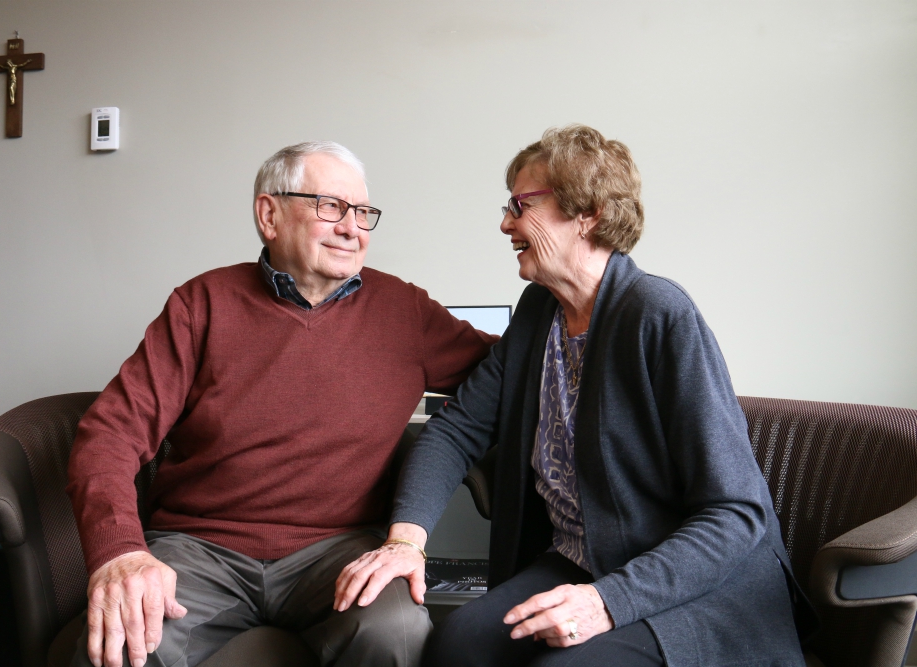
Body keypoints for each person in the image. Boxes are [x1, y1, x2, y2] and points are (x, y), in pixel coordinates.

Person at [334, 125, 815, 666]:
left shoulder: (658, 314)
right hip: (588, 560)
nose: (505, 222)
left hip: (695, 584)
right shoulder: (540, 312)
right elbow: (456, 428)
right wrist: (405, 541)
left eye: (521, 204)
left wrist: (606, 602)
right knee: (458, 644)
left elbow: (736, 512)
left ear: (588, 212)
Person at [65, 141, 496, 667]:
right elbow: (109, 434)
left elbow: (503, 373)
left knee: (396, 631)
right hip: (200, 548)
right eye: (330, 207)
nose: (352, 227)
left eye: (363, 213)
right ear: (269, 214)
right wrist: (121, 553)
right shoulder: (201, 304)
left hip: (339, 549)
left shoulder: (404, 310)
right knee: (120, 646)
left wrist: (584, 321)